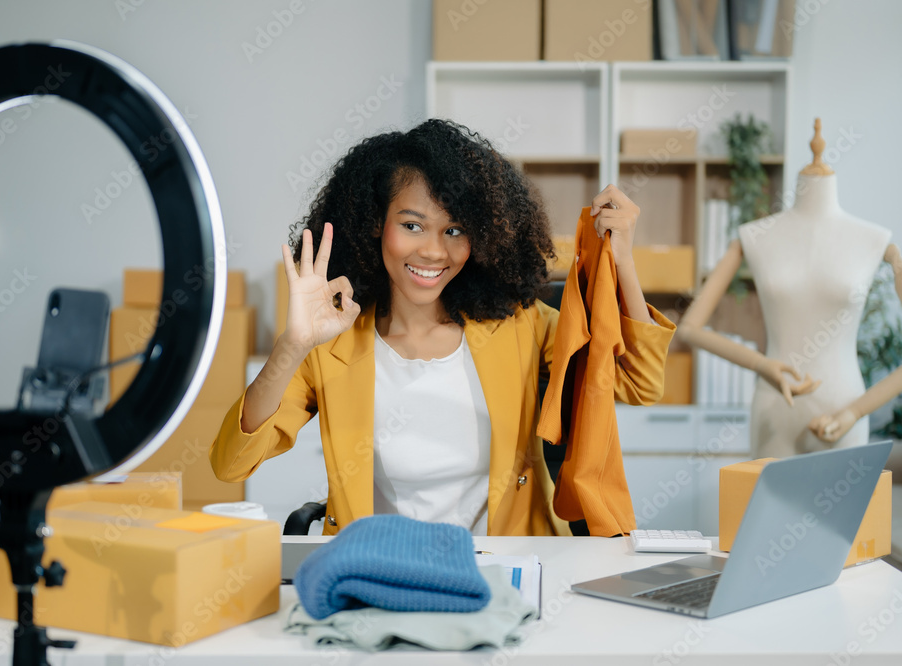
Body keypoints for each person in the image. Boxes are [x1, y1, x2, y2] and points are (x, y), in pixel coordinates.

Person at [210, 119, 674, 536]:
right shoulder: (333, 343)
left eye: (454, 231)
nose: (434, 252)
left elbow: (640, 384)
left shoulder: (520, 325)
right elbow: (232, 464)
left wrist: (623, 261)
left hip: (505, 570)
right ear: (375, 225)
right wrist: (292, 346)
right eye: (413, 225)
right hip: (380, 572)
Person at [678, 119, 900, 458]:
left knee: (840, 512)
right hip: (773, 412)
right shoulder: (753, 237)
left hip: (844, 411)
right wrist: (761, 364)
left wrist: (853, 412)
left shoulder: (876, 241)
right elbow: (689, 328)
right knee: (766, 511)